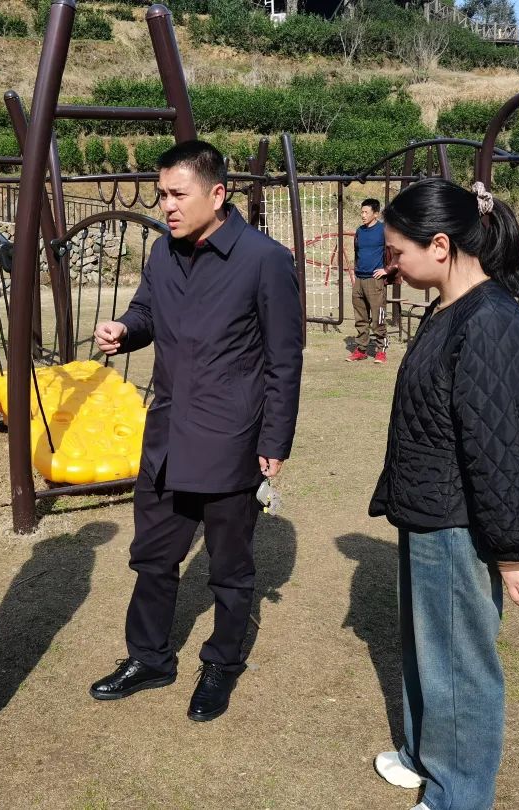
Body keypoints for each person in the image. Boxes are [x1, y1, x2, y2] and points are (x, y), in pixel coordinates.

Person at [89, 140, 303, 722]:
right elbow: (146, 312)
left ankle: (222, 663)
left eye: (178, 194)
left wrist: (274, 442)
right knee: (152, 557)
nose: (167, 206)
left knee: (228, 570)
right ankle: (149, 657)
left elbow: (285, 359)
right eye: (162, 194)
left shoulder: (264, 260)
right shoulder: (164, 252)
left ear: (218, 193)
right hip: (165, 436)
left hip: (231, 441)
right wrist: (124, 330)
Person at [367, 178, 519, 810]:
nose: (390, 265)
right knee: (427, 651)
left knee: (459, 666)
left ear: (440, 246)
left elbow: (502, 448)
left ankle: (460, 797)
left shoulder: (492, 324)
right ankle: (424, 755)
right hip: (427, 509)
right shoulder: (448, 309)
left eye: (397, 252)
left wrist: (514, 551)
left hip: (458, 523)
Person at [346, 198, 391, 364]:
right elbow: (357, 252)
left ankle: (381, 350)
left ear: (376, 214)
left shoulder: (384, 230)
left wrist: (387, 270)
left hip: (375, 280)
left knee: (378, 318)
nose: (363, 215)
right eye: (362, 212)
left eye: (366, 212)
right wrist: (356, 271)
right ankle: (361, 350)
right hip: (359, 279)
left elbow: (396, 251)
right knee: (360, 318)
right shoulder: (360, 231)